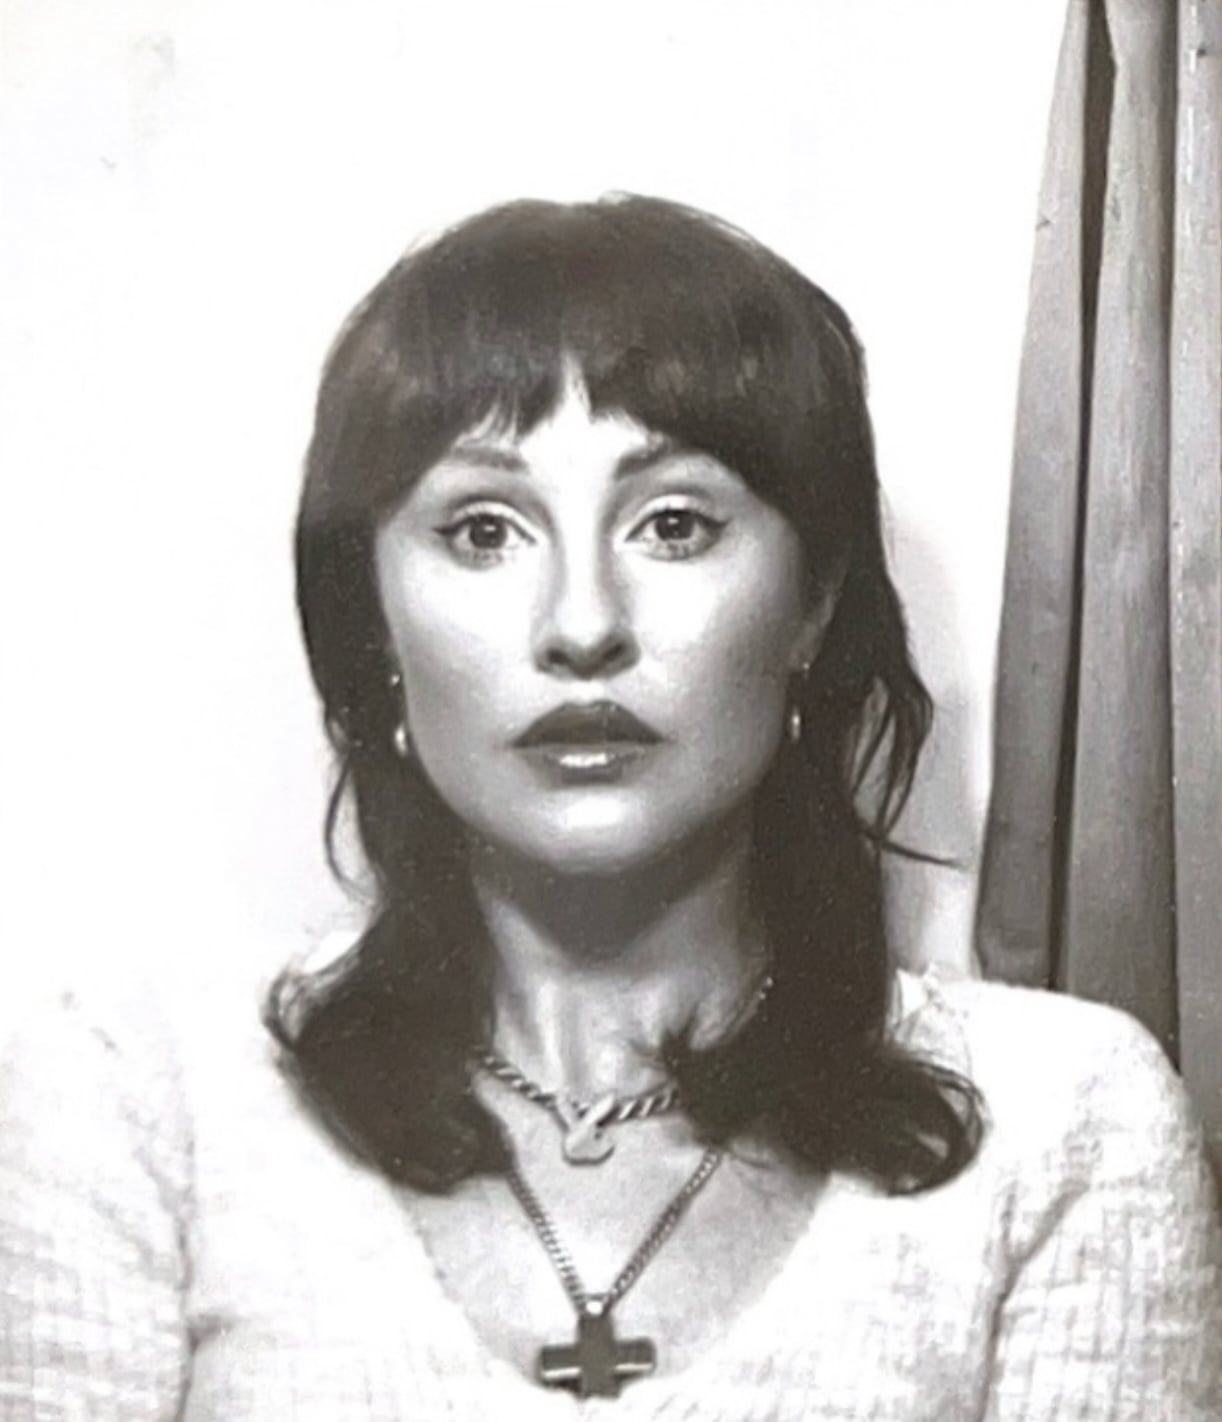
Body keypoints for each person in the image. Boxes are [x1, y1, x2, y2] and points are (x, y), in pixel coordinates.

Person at [1, 194, 1219, 1421]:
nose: (581, 625)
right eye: (483, 529)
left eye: (673, 525)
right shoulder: (137, 1098)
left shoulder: (1062, 1124)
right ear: (372, 619)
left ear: (812, 601)